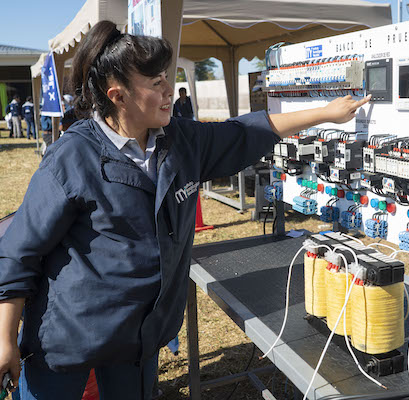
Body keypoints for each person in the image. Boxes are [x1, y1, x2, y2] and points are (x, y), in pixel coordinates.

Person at [0, 20, 370, 400]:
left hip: (137, 339)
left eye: (166, 77)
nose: (167, 92)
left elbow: (246, 131)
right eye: (154, 82)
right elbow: (19, 252)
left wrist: (326, 112)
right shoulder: (73, 157)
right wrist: (5, 339)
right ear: (118, 95)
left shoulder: (181, 140)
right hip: (70, 334)